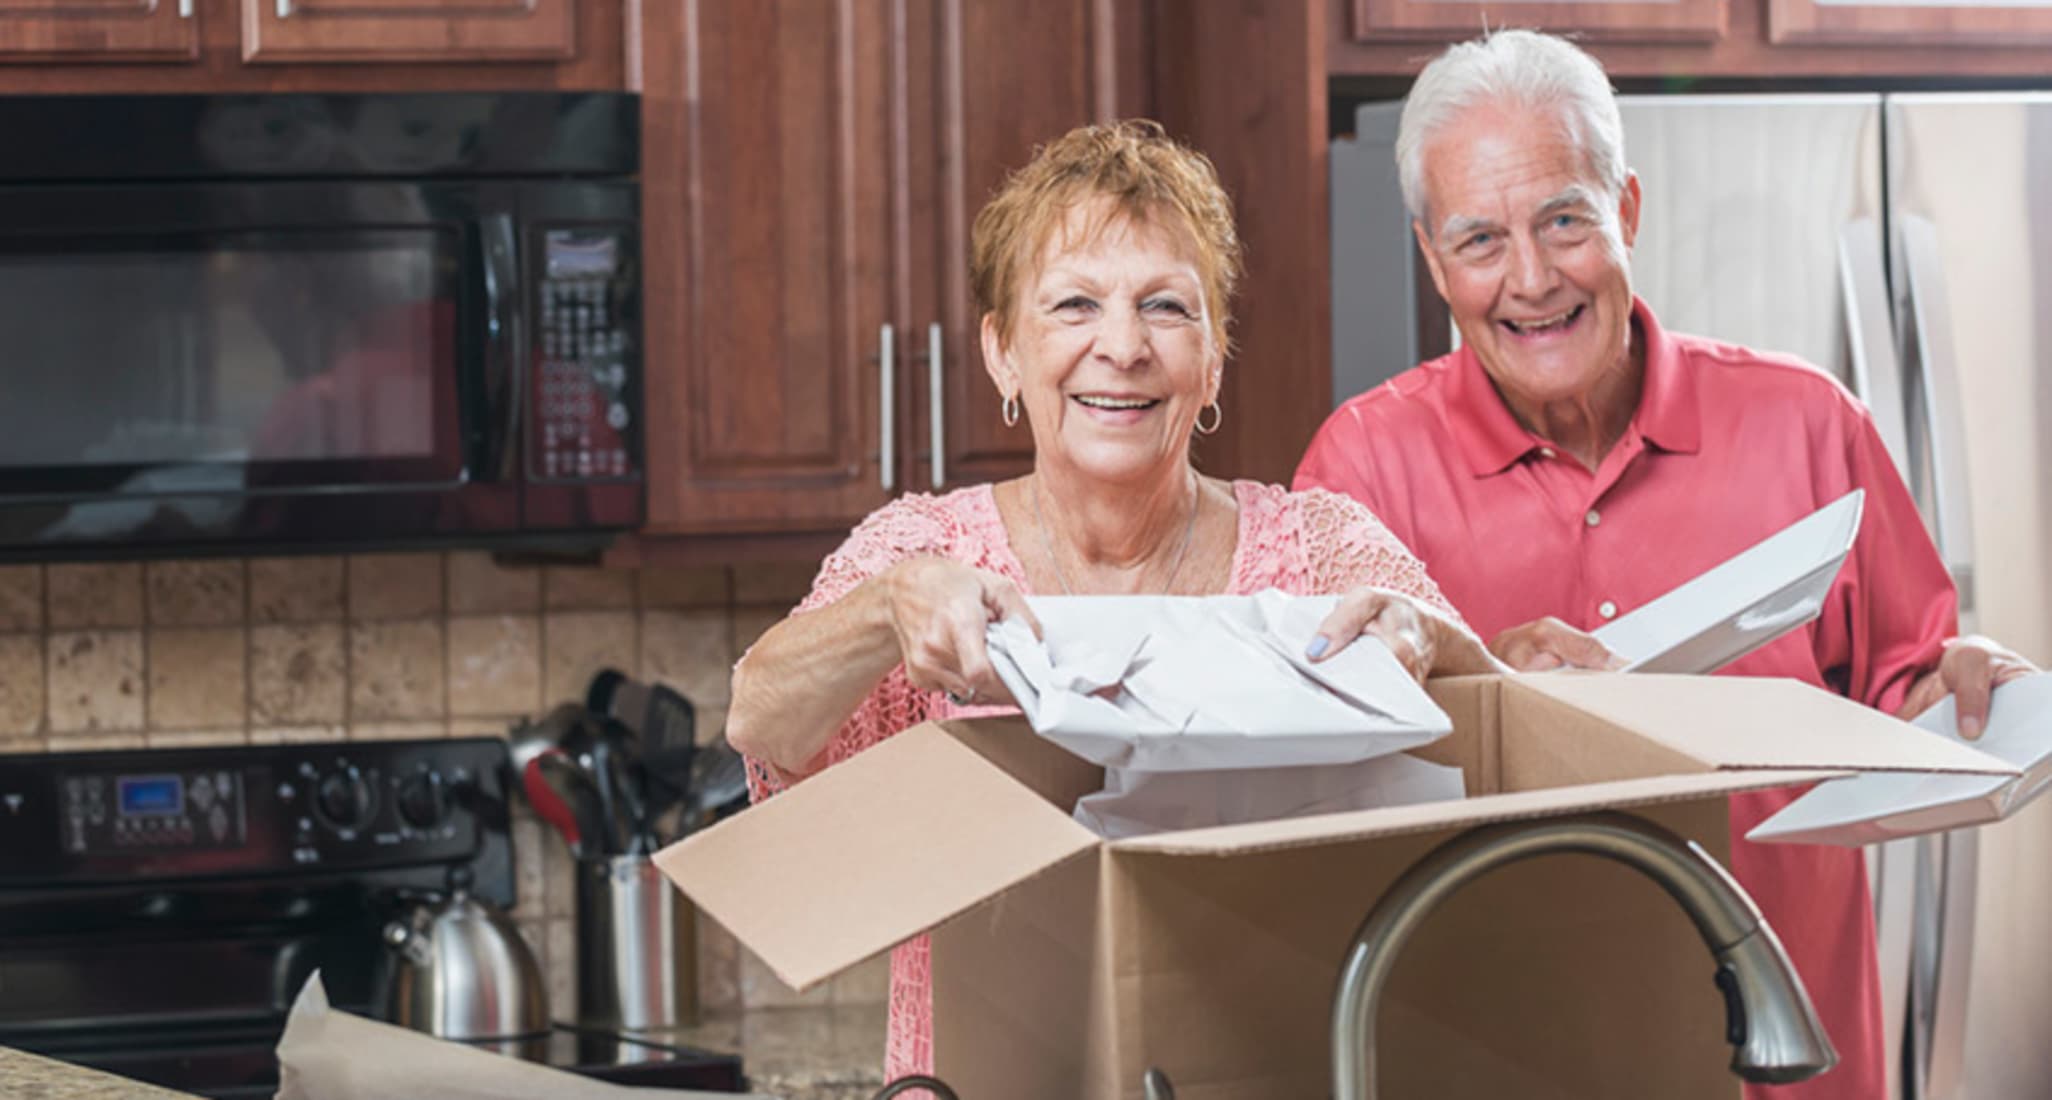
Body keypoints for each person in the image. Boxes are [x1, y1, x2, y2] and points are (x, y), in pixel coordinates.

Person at [1296, 29, 2037, 1099]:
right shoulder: (1361, 467)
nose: (1533, 279)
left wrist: (1958, 683)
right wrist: (1477, 689)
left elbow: (1903, 688)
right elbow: (1313, 788)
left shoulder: (1808, 423)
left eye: (1565, 220)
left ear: (1627, 210)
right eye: (1481, 242)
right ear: (1430, 257)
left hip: (1791, 1061)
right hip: (1498, 1058)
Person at [727, 120, 1498, 1085]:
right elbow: (762, 721)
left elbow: (1503, 738)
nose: (1123, 347)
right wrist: (886, 610)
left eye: (1167, 307)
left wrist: (1434, 648)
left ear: (1212, 359)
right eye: (1076, 305)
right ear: (1004, 353)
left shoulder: (1317, 549)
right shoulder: (921, 555)